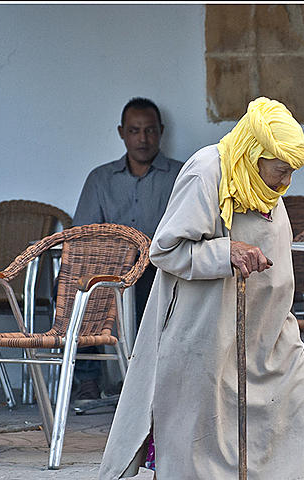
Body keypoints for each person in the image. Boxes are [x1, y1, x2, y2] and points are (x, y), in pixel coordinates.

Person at [96, 97, 304, 480]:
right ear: (253, 152)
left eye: (291, 170)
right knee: (196, 417)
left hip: (268, 321)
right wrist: (226, 252)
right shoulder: (209, 172)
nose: (287, 180)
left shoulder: (266, 186)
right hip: (207, 323)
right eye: (280, 168)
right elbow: (165, 249)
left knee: (297, 400)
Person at [72, 97, 183, 400]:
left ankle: (146, 380)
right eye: (135, 131)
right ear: (122, 132)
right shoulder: (100, 178)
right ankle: (88, 378)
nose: (143, 139)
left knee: (148, 283)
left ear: (160, 131)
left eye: (149, 130)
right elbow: (83, 235)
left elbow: (190, 229)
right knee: (74, 283)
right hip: (108, 269)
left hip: (158, 267)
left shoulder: (180, 175)